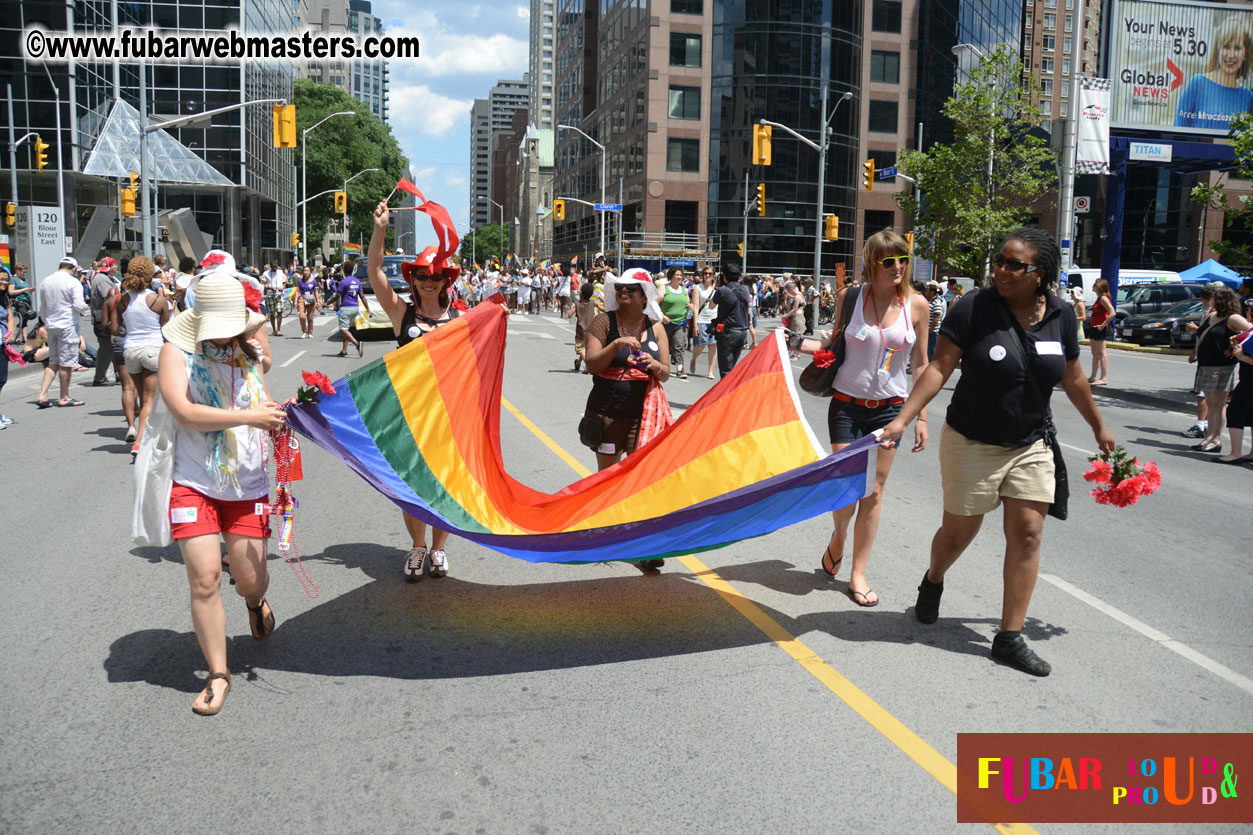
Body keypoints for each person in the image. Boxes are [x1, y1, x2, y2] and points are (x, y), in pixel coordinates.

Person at [880, 228, 1116, 676]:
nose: (1001, 270)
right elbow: (939, 368)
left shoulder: (1061, 315)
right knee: (959, 532)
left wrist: (1099, 426)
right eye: (1000, 261)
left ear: (1039, 273)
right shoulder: (974, 307)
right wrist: (903, 418)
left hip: (1031, 443)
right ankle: (933, 581)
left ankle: (1009, 637)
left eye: (1014, 265)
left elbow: (1073, 378)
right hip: (971, 440)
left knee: (1027, 534)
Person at [158, 270, 286, 715]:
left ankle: (254, 601)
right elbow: (184, 412)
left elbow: (263, 398)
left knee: (251, 578)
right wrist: (249, 417)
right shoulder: (176, 351)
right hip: (193, 480)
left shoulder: (249, 353)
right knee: (206, 577)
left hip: (246, 481)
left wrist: (277, 417)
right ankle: (218, 673)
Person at [790, 230, 930, 607]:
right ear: (872, 263)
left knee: (873, 492)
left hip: (890, 410)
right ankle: (838, 536)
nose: (898, 267)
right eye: (889, 261)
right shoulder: (849, 298)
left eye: (903, 259)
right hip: (846, 407)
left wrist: (920, 418)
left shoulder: (917, 306)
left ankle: (858, 573)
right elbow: (833, 343)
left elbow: (921, 365)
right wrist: (790, 344)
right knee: (846, 489)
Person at [369, 201, 462, 581]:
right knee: (412, 486)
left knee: (444, 486)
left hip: (448, 417)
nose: (428, 281)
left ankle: (439, 550)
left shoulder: (460, 318)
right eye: (422, 274)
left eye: (436, 276)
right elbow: (375, 271)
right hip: (408, 415)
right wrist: (380, 229)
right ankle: (418, 547)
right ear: (413, 278)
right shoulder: (400, 313)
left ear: (446, 281)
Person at [581, 268, 671, 573]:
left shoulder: (656, 327)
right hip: (606, 413)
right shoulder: (603, 321)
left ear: (643, 295)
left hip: (644, 415)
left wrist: (656, 365)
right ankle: (606, 533)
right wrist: (616, 345)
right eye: (620, 288)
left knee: (643, 479)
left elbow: (667, 372)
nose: (623, 292)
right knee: (608, 477)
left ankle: (646, 546)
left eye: (631, 289)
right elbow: (592, 364)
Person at [112, 256, 170, 455]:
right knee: (149, 401)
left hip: (130, 350)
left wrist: (129, 330)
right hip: (152, 349)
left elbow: (115, 328)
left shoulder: (121, 299)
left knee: (141, 396)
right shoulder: (158, 299)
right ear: (149, 275)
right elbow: (166, 328)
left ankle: (142, 432)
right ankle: (139, 442)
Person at [1189, 286, 1251, 454]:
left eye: (1215, 298)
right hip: (1206, 364)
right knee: (1210, 402)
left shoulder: (1233, 318)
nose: (1211, 301)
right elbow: (1203, 335)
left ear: (1222, 300)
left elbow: (1249, 332)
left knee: (1218, 403)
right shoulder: (1211, 315)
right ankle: (1209, 437)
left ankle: (1216, 439)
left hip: (1221, 365)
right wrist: (1195, 351)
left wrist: (1235, 348)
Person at [1173, 19, 1252, 131]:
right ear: (1217, 50)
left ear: (1245, 54)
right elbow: (1177, 131)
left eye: (1237, 48)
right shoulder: (1197, 84)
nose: (1231, 55)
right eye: (1226, 47)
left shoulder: (1247, 96)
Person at [35, 257, 90, 408]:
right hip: (67, 324)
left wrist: (47, 321)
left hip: (51, 324)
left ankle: (43, 394)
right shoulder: (73, 282)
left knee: (53, 361)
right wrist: (85, 307)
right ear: (73, 268)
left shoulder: (46, 281)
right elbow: (79, 305)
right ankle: (64, 396)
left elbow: (43, 307)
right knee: (66, 364)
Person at [1218, 329, 1253, 464]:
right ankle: (1251, 453)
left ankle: (1235, 453)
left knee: (1234, 411)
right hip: (1248, 379)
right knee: (1250, 414)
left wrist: (1241, 356)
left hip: (1249, 381)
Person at [712, 265, 752, 378]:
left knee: (725, 370)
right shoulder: (745, 289)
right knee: (731, 367)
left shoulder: (722, 290)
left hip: (728, 332)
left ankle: (727, 393)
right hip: (742, 331)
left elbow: (711, 305)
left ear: (724, 277)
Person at [88, 257, 121, 387]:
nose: (116, 268)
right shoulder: (102, 279)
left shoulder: (105, 278)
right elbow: (111, 297)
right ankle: (99, 377)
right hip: (103, 318)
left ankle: (118, 375)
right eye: (115, 266)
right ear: (112, 267)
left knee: (113, 347)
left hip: (105, 317)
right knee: (106, 348)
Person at [659, 266, 693, 379]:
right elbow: (654, 304)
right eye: (677, 275)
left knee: (679, 346)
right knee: (664, 347)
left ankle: (680, 370)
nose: (679, 277)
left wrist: (689, 306)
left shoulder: (684, 290)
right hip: (665, 324)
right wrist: (662, 316)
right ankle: (660, 367)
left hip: (680, 324)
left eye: (680, 275)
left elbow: (687, 303)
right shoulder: (663, 289)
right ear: (671, 276)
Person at [330, 260, 368, 357]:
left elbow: (337, 296)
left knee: (343, 330)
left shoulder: (344, 282)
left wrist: (328, 303)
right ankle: (344, 350)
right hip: (355, 308)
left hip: (346, 308)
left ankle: (357, 344)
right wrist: (368, 309)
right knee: (346, 329)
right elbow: (362, 296)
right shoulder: (357, 281)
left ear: (344, 270)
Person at [688, 267, 719, 377]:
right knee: (700, 346)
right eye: (705, 273)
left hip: (714, 320)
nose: (707, 275)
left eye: (710, 273)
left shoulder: (717, 288)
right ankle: (694, 358)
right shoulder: (697, 288)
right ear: (702, 275)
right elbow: (696, 307)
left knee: (713, 345)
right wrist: (695, 324)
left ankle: (710, 371)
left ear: (713, 275)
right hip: (701, 320)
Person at [1086, 278, 1114, 385]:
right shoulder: (1099, 298)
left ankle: (1103, 378)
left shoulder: (1103, 298)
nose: (1093, 286)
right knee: (1095, 353)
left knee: (1102, 353)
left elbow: (1112, 313)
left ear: (1100, 287)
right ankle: (1093, 376)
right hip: (1094, 327)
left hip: (1099, 327)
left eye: (1095, 285)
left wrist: (1103, 325)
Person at [571, 281, 597, 372]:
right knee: (586, 349)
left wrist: (571, 308)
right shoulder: (593, 303)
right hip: (591, 331)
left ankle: (588, 366)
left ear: (581, 294)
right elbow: (604, 309)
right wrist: (602, 300)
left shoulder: (577, 304)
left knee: (581, 350)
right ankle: (578, 363)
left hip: (580, 332)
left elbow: (569, 315)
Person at [295, 267, 321, 339]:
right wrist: (295, 300)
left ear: (310, 272)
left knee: (310, 317)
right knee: (302, 316)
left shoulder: (314, 281)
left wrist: (318, 301)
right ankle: (304, 331)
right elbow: (297, 291)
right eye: (305, 271)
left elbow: (316, 292)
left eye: (307, 270)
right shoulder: (300, 281)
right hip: (302, 299)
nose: (306, 272)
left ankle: (310, 332)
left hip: (310, 299)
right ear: (303, 272)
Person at [924, 281, 946, 359]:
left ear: (932, 292)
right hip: (928, 331)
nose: (925, 292)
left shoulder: (936, 303)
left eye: (927, 290)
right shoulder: (929, 301)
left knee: (931, 350)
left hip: (933, 332)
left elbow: (937, 317)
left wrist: (931, 329)